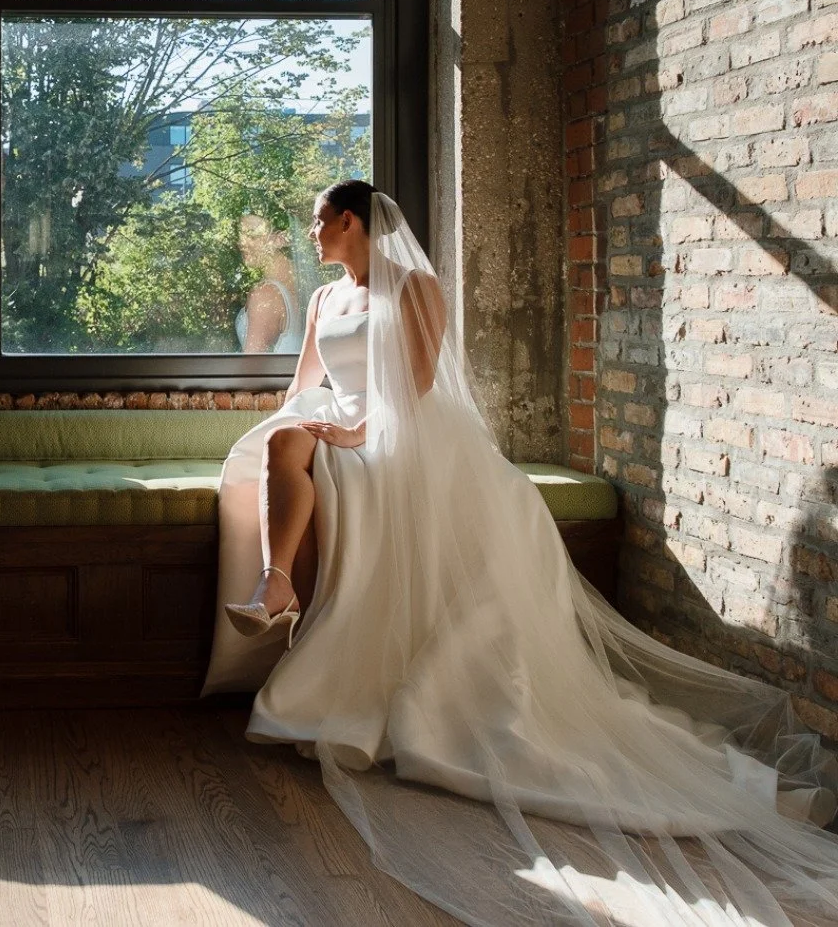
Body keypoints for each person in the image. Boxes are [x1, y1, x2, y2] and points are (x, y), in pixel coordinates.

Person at [203, 180, 838, 926]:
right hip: (339, 425)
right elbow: (303, 383)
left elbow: (414, 386)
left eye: (319, 224)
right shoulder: (321, 302)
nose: (311, 237)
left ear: (352, 221)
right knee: (280, 438)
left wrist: (356, 433)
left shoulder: (414, 288)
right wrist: (311, 424)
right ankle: (276, 586)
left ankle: (300, 604)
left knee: (315, 457)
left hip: (404, 439)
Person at [233, 213, 304, 354]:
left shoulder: (266, 295)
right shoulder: (299, 286)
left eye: (252, 235)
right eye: (241, 235)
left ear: (280, 239)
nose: (241, 243)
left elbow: (250, 370)